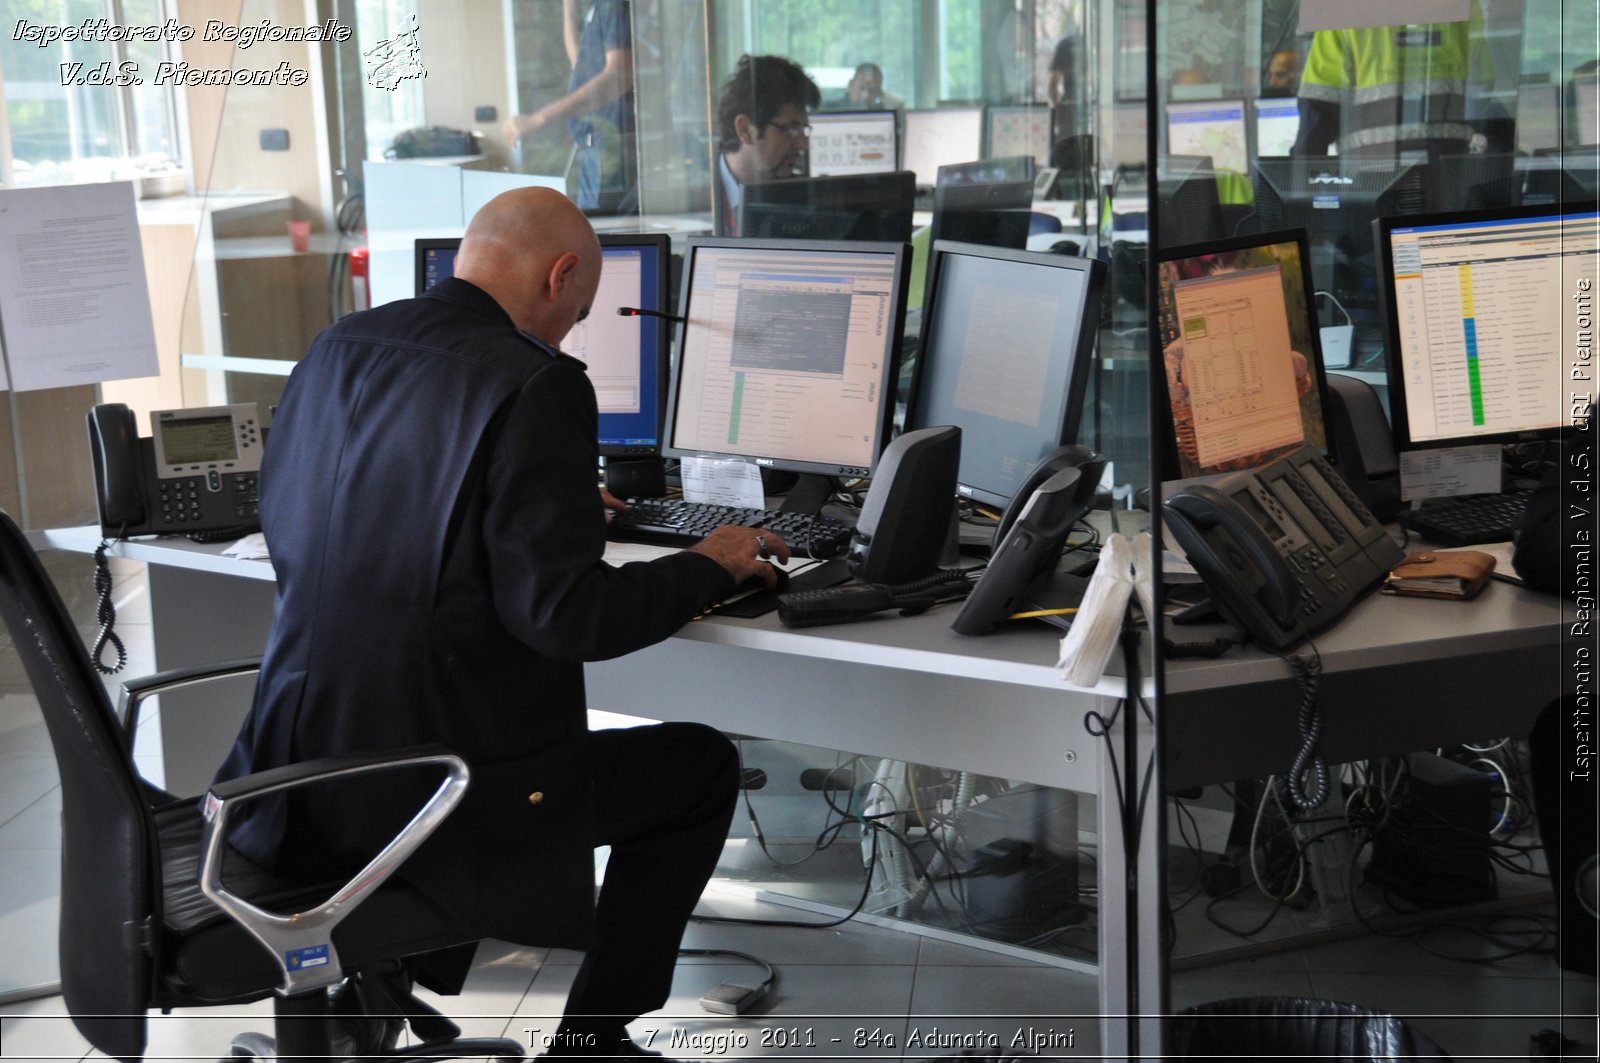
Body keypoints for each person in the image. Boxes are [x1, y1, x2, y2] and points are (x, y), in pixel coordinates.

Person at [213, 186, 791, 1056]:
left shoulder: (340, 344)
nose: (570, 332)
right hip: (432, 792)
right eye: (581, 311)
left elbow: (318, 520)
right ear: (561, 277)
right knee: (700, 767)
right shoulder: (538, 382)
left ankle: (378, 985)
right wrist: (707, 564)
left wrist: (543, 509)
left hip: (294, 776)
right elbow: (569, 619)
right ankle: (595, 1041)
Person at [1291, 7, 1489, 159]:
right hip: (1447, 170)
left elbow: (1318, 109)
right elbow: (1483, 92)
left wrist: (1300, 192)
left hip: (1370, 175)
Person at [503, 0, 636, 212]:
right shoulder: (596, 7)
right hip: (592, 147)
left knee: (605, 237)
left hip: (610, 147)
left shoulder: (612, 4)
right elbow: (580, 65)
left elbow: (618, 76)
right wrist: (570, 9)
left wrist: (539, 119)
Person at [711, 54, 821, 236]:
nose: (803, 145)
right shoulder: (700, 199)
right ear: (745, 130)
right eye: (791, 130)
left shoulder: (801, 197)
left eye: (804, 129)